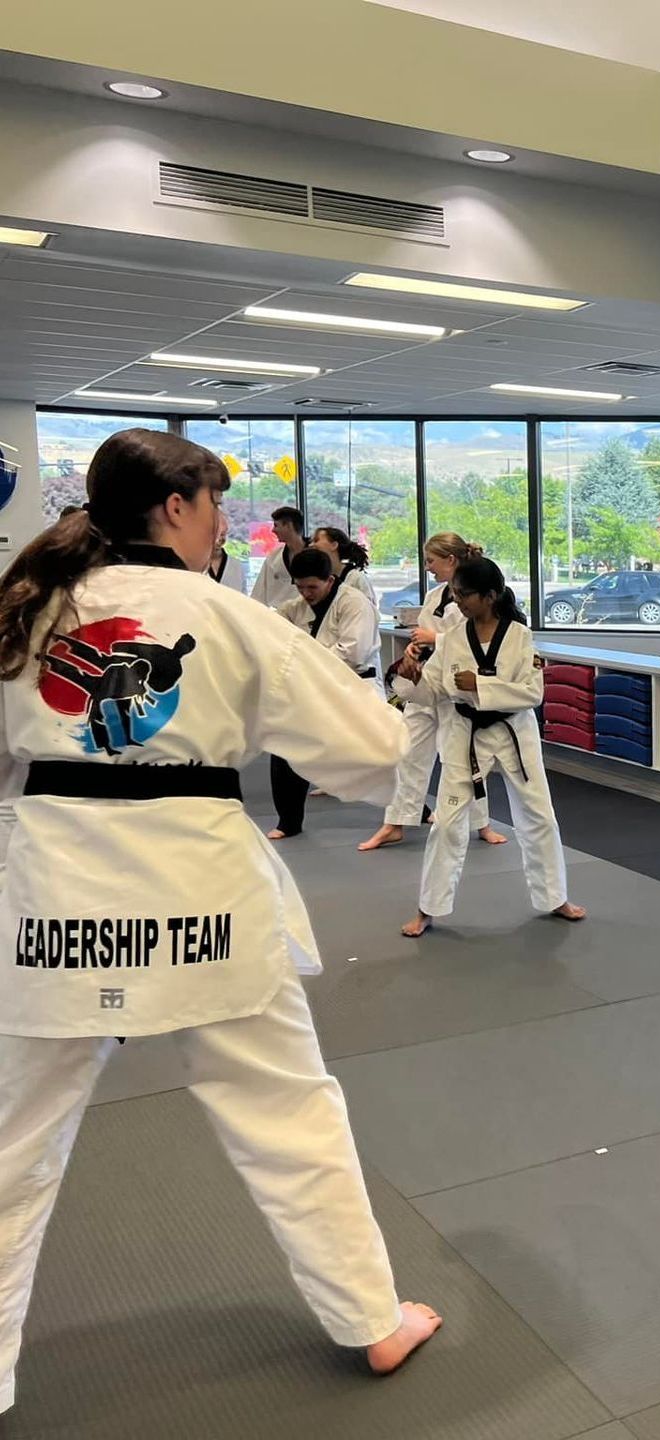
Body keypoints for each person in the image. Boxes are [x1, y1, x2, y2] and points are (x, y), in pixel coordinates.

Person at [0, 429, 439, 1417]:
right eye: (213, 506)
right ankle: (370, 1318)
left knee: (9, 1142)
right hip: (204, 901)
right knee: (287, 1112)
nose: (222, 528)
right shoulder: (226, 616)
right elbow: (371, 752)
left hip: (58, 907)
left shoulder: (26, 610)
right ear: (176, 509)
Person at [393, 557, 585, 936]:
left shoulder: (519, 637)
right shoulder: (451, 639)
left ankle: (554, 896)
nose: (459, 602)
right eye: (456, 594)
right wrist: (411, 678)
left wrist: (479, 686)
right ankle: (427, 907)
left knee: (539, 816)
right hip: (466, 735)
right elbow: (431, 692)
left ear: (490, 596)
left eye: (465, 595)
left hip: (514, 734)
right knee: (447, 823)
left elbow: (533, 692)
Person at [359, 533, 508, 853]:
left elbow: (480, 643)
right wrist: (414, 651)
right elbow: (425, 636)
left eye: (431, 561)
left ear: (451, 560)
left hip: (458, 688)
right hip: (426, 684)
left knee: (466, 761)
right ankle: (395, 822)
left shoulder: (479, 598)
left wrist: (435, 638)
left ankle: (481, 823)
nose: (427, 567)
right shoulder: (436, 595)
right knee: (408, 752)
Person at [267, 548, 383, 840]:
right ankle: (288, 821)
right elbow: (272, 632)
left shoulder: (355, 604)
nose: (306, 593)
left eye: (312, 587)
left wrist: (302, 659)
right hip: (314, 688)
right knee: (283, 745)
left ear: (330, 580)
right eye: (300, 586)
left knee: (381, 758)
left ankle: (415, 809)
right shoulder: (295, 607)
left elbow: (353, 654)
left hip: (354, 687)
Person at [250, 505, 306, 608]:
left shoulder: (317, 556)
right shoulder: (273, 558)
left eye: (276, 525)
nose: (273, 530)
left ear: (289, 526)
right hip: (279, 615)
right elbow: (259, 594)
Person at [312, 526, 378, 608]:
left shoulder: (355, 578)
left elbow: (369, 611)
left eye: (316, 540)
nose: (312, 545)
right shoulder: (316, 578)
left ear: (334, 545)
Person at [208, 509, 247, 592]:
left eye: (223, 534)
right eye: (216, 533)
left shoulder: (236, 566)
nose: (220, 539)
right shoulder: (191, 566)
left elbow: (243, 600)